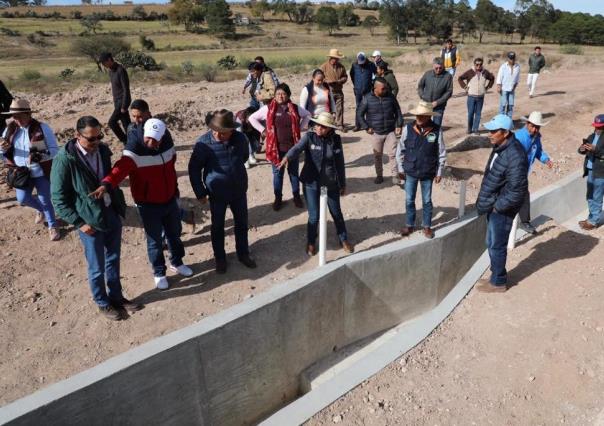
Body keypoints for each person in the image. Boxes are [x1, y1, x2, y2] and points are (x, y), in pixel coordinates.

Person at [51, 116, 142, 320]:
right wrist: (79, 223)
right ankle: (102, 302)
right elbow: (57, 198)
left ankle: (117, 298)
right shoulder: (64, 160)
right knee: (96, 267)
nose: (96, 142)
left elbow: (111, 176)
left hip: (110, 212)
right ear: (77, 136)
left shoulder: (101, 150)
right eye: (91, 139)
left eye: (99, 136)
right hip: (89, 220)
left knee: (113, 259)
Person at [89, 118, 194, 290]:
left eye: (155, 139)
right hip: (148, 204)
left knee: (174, 235)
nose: (151, 142)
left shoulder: (168, 146)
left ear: (162, 137)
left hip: (170, 200)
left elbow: (171, 169)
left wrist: (175, 191)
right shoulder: (134, 151)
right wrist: (106, 184)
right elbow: (119, 169)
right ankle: (159, 272)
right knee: (154, 241)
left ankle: (177, 263)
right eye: (148, 138)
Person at [188, 110, 257, 274]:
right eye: (215, 131)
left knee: (241, 223)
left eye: (223, 133)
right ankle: (220, 258)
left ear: (232, 130)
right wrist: (200, 192)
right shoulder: (203, 144)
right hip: (217, 193)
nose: (218, 135)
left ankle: (243, 253)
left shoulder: (240, 139)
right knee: (217, 226)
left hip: (238, 189)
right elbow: (194, 169)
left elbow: (244, 157)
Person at [279, 112, 354, 256]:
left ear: (330, 128)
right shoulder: (309, 137)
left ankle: (343, 239)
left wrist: (342, 183)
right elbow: (297, 148)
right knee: (314, 216)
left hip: (330, 183)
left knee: (336, 213)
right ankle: (311, 242)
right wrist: (287, 157)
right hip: (311, 182)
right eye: (318, 125)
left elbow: (340, 163)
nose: (320, 128)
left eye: (324, 127)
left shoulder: (336, 140)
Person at [475, 114, 528, 292]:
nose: (489, 134)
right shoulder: (500, 146)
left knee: (497, 245)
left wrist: (498, 207)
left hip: (501, 209)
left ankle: (498, 282)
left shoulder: (515, 155)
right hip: (494, 204)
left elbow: (517, 190)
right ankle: (495, 275)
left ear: (505, 133)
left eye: (493, 131)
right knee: (491, 242)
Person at [0, 99, 60, 241]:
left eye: (19, 116)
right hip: (20, 173)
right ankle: (41, 211)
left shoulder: (43, 128)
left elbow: (55, 150)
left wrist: (38, 156)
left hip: (40, 171)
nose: (16, 119)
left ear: (28, 114)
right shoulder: (9, 129)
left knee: (45, 200)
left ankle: (53, 225)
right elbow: (2, 152)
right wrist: (3, 149)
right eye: (14, 117)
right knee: (22, 199)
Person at [249, 83, 311, 211]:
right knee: (277, 174)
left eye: (283, 94)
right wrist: (263, 130)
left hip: (293, 147)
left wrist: (300, 127)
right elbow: (252, 118)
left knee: (294, 173)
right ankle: (278, 198)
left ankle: (296, 196)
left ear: (288, 95)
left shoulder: (294, 108)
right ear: (274, 95)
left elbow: (308, 115)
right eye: (278, 94)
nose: (280, 96)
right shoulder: (268, 108)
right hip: (275, 149)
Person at [397, 101, 446, 239]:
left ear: (429, 116)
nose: (419, 118)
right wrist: (400, 168)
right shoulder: (408, 128)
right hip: (410, 171)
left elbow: (441, 152)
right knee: (409, 199)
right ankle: (409, 224)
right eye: (417, 115)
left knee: (426, 201)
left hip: (428, 172)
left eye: (422, 115)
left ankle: (427, 226)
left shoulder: (436, 130)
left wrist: (439, 171)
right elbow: (400, 149)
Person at [357, 78, 404, 185]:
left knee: (393, 154)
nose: (386, 90)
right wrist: (366, 127)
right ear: (375, 89)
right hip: (376, 133)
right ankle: (379, 175)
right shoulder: (367, 99)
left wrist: (399, 124)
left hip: (390, 131)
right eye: (383, 89)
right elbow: (359, 114)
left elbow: (397, 111)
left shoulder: (390, 96)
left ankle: (395, 175)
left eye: (386, 88)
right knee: (378, 156)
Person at [516, 111, 554, 235]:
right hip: (515, 171)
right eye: (533, 126)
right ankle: (523, 221)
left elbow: (538, 151)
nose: (535, 129)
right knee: (519, 195)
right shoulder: (519, 137)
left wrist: (545, 159)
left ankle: (524, 221)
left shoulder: (536, 138)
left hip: (523, 172)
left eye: (537, 127)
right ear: (527, 124)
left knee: (523, 195)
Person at [578, 114, 604, 231]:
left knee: (597, 196)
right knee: (590, 196)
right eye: (596, 127)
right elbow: (581, 149)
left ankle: (593, 222)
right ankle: (591, 218)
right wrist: (582, 149)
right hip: (590, 170)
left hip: (600, 172)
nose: (597, 129)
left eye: (600, 127)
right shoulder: (592, 136)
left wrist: (595, 150)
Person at [99, 52, 131, 144]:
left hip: (122, 101)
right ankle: (132, 142)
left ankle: (125, 141)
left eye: (104, 63)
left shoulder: (121, 70)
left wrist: (124, 105)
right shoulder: (111, 72)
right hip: (116, 102)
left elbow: (126, 89)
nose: (104, 65)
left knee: (112, 122)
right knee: (127, 125)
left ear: (109, 59)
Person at [457, 57, 495, 135]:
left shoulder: (485, 72)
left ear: (482, 65)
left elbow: (492, 78)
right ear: (474, 64)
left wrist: (488, 87)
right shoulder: (469, 72)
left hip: (481, 96)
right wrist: (465, 87)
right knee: (470, 113)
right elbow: (460, 78)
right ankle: (469, 128)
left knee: (478, 114)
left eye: (480, 64)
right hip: (471, 96)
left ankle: (476, 129)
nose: (478, 66)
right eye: (477, 64)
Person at [417, 57, 453, 127]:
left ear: (443, 66)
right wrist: (422, 96)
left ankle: (436, 137)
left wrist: (437, 102)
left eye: (440, 68)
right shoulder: (427, 74)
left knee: (436, 127)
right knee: (424, 125)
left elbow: (449, 92)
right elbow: (420, 86)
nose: (438, 70)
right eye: (436, 68)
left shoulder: (448, 76)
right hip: (426, 104)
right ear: (433, 66)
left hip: (439, 107)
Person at [320, 49, 348, 132]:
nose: (335, 60)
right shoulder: (324, 66)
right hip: (328, 92)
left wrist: (339, 81)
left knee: (340, 109)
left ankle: (339, 125)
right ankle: (328, 124)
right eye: (334, 58)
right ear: (330, 58)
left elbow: (345, 77)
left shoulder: (341, 67)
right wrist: (326, 81)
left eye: (337, 58)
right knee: (328, 109)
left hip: (339, 90)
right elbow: (318, 77)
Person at [350, 52, 377, 131]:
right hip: (358, 90)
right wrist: (356, 84)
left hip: (368, 89)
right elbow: (352, 75)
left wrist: (372, 83)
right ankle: (357, 125)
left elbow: (376, 74)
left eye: (363, 61)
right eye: (360, 62)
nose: (361, 64)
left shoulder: (371, 65)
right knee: (358, 107)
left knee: (369, 106)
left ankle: (368, 125)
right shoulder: (354, 65)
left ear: (365, 59)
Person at [496, 52, 521, 118]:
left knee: (510, 105)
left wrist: (515, 87)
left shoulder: (517, 67)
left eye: (513, 58)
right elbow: (499, 76)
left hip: (511, 89)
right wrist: (499, 86)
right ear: (508, 58)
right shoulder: (503, 66)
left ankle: (508, 120)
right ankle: (501, 120)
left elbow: (517, 78)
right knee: (503, 105)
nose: (512, 60)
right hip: (504, 89)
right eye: (510, 58)